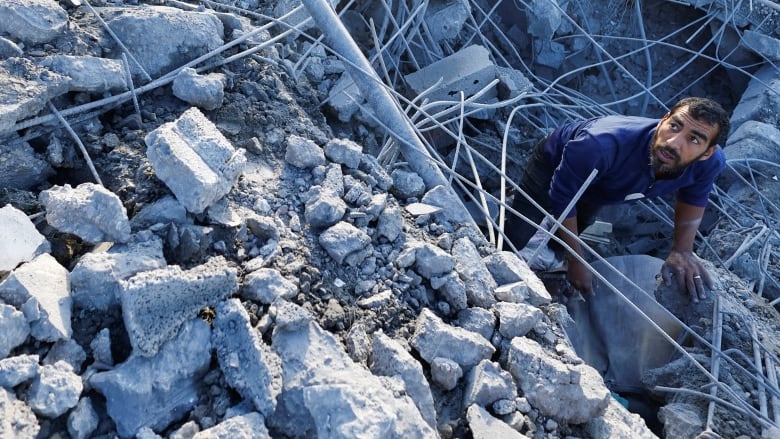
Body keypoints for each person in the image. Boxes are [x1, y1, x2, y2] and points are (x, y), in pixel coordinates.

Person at [504, 96, 730, 302]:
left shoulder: (710, 163)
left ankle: (550, 261)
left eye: (694, 139)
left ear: (707, 152)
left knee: (572, 229)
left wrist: (682, 250)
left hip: (603, 186)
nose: (673, 142)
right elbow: (563, 197)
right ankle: (500, 246)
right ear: (664, 120)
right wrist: (577, 261)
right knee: (518, 234)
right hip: (555, 165)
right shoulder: (600, 144)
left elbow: (694, 196)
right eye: (674, 126)